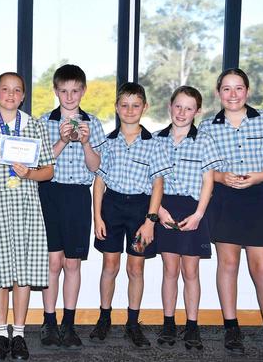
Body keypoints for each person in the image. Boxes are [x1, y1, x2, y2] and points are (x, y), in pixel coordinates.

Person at [198, 68, 263, 356]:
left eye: (238, 88)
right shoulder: (208, 125)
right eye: (226, 89)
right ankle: (231, 327)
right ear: (218, 92)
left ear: (247, 90)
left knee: (262, 267)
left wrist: (259, 176)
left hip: (258, 198)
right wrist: (221, 177)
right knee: (228, 265)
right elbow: (204, 168)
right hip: (223, 200)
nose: (233, 95)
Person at [0, 72, 54, 361]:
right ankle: (0, 334)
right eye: (5, 89)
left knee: (24, 271)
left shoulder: (34, 126)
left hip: (26, 207)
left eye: (16, 90)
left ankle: (18, 333)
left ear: (23, 95)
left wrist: (29, 173)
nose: (10, 94)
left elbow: (49, 170)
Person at [91, 82, 171, 349]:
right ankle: (104, 317)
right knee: (110, 266)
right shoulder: (107, 142)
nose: (129, 110)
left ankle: (133, 323)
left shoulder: (154, 143)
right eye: (124, 105)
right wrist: (98, 217)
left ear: (144, 107)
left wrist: (150, 221)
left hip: (140, 211)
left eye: (136, 105)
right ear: (116, 107)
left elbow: (157, 184)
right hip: (111, 208)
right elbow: (99, 182)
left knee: (135, 267)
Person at [37, 64, 104, 350]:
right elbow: (39, 162)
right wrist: (62, 141)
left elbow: (96, 167)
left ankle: (69, 322)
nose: (69, 96)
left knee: (72, 262)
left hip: (78, 194)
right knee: (53, 261)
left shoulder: (94, 123)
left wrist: (86, 142)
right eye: (63, 91)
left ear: (83, 91)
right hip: (50, 193)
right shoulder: (44, 121)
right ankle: (49, 321)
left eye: (75, 90)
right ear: (55, 91)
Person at [153, 86, 222, 350]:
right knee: (169, 269)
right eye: (178, 106)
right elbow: (153, 181)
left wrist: (198, 215)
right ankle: (168, 323)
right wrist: (159, 211)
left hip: (194, 209)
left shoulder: (204, 140)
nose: (182, 113)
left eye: (189, 108)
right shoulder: (158, 139)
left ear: (197, 111)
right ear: (170, 106)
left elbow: (208, 182)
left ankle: (192, 326)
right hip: (166, 206)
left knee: (190, 271)